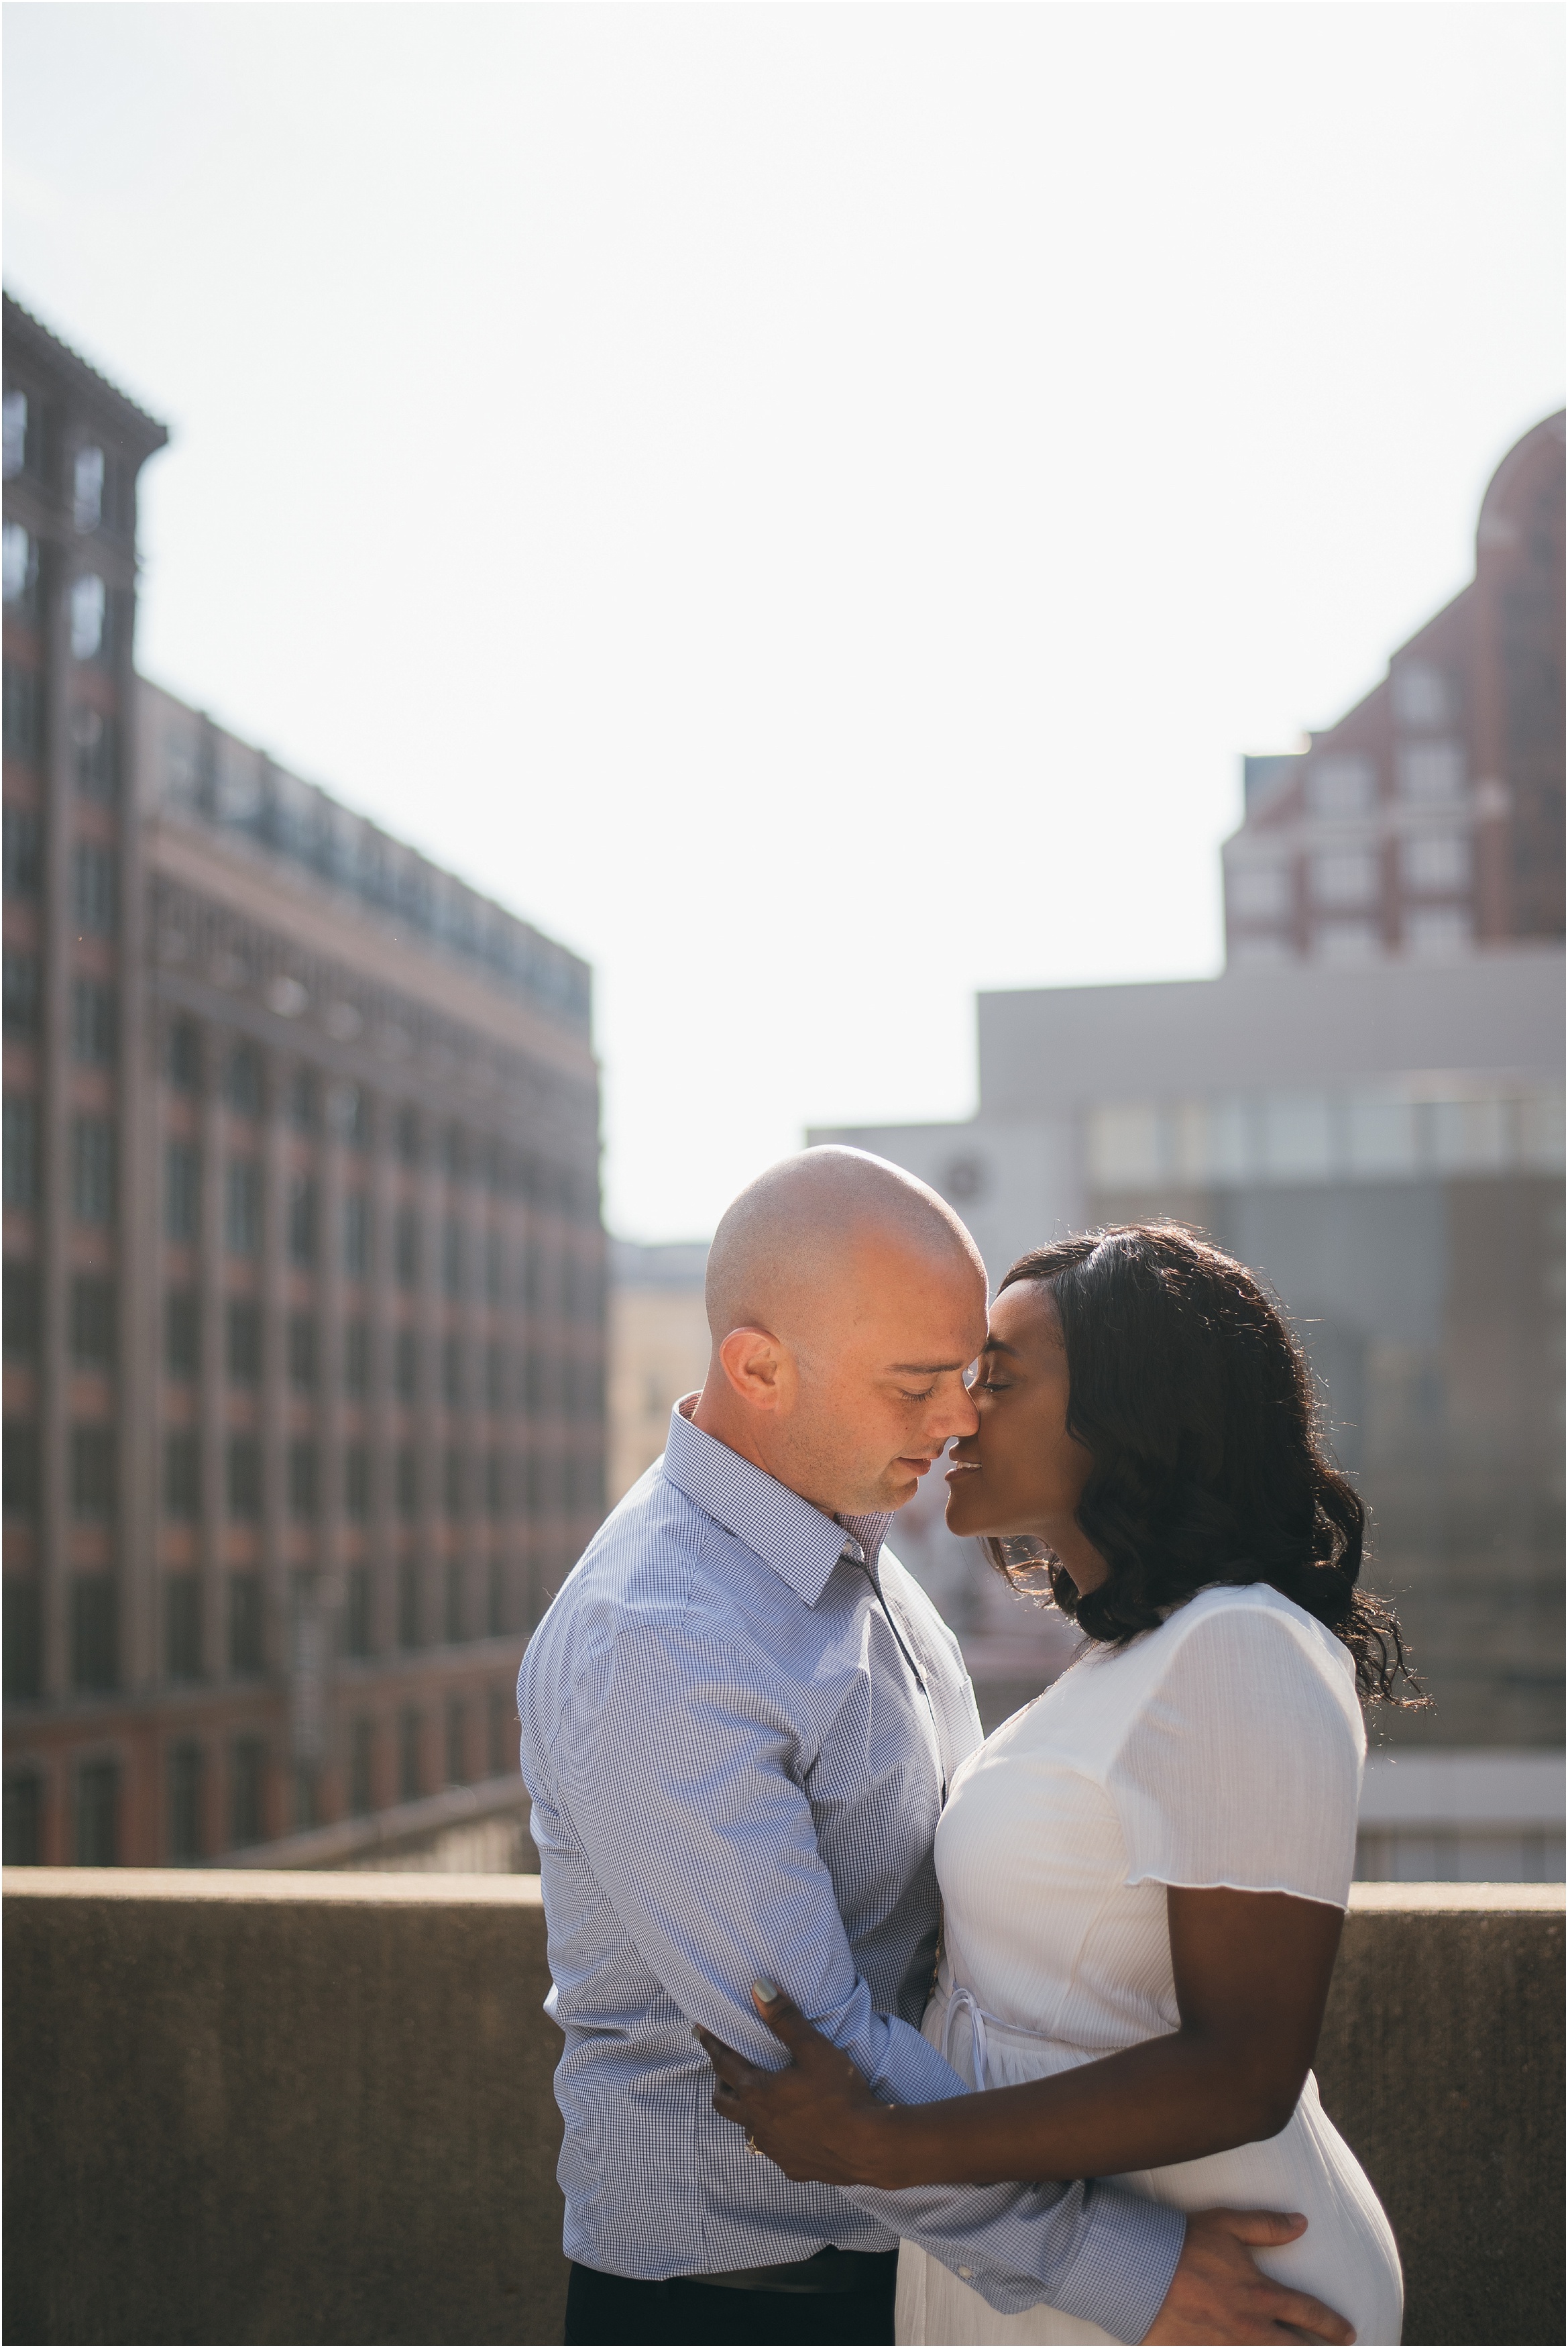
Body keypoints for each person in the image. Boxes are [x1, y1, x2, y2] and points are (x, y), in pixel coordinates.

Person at [519, 1154, 1359, 2347]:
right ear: (757, 1368)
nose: (958, 1418)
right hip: (748, 2309)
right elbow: (815, 2070)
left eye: (970, 1380)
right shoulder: (662, 1645)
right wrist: (1132, 2274)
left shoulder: (849, 1550)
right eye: (917, 1385)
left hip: (912, 2280)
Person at [698, 1224, 1413, 2346]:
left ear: (1131, 1408)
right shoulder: (1128, 1659)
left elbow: (1245, 2070)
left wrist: (887, 2150)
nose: (954, 1415)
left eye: (1000, 1379)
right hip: (1082, 2280)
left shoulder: (1241, 1649)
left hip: (1224, 2290)